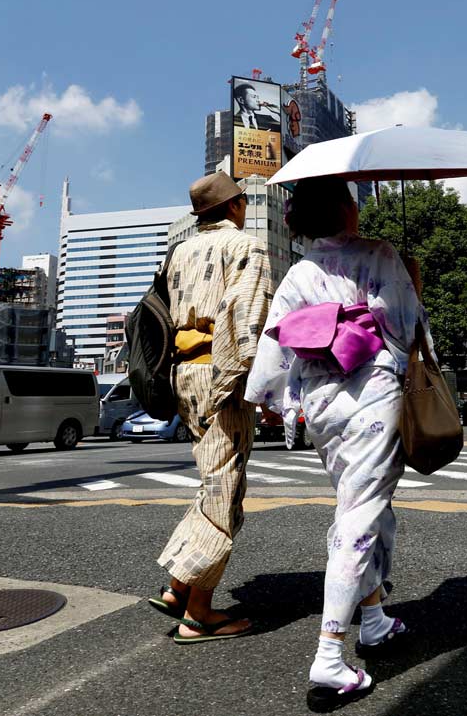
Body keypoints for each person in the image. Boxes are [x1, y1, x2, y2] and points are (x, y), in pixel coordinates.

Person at [246, 175, 425, 711]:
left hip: (322, 404)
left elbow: (275, 349)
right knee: (361, 516)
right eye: (348, 201)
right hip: (372, 393)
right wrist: (410, 281)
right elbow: (405, 326)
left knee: (358, 507)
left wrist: (267, 401)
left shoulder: (297, 275)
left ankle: (373, 620)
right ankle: (329, 654)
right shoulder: (379, 254)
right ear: (344, 212)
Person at [148, 172, 272, 643]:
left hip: (183, 372)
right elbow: (246, 315)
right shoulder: (246, 245)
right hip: (222, 369)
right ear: (236, 206)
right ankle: (199, 614)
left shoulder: (178, 251)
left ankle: (179, 587)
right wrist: (250, 382)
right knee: (225, 490)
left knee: (212, 477)